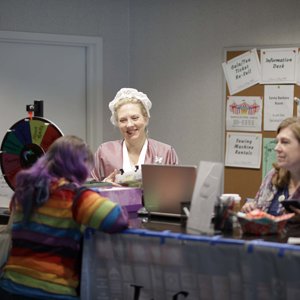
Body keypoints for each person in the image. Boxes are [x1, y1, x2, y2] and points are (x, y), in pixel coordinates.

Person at [0, 135, 128, 300]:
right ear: (80, 166)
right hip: (52, 291)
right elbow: (116, 219)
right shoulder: (74, 196)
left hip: (10, 287)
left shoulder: (25, 191)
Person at [91, 87, 179, 184]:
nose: (129, 125)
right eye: (123, 120)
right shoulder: (105, 152)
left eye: (135, 118)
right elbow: (86, 189)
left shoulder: (165, 152)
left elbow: (176, 190)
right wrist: (104, 185)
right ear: (117, 123)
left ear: (146, 119)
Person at [241, 117, 300, 216]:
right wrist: (250, 209)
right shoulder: (273, 176)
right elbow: (259, 211)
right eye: (277, 142)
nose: (277, 148)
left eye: (285, 142)